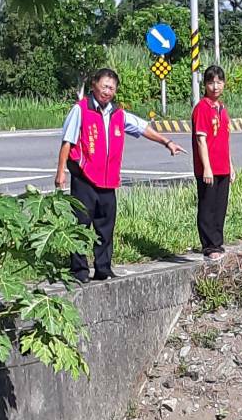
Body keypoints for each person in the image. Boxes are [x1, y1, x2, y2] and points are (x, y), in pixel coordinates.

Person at [55, 67, 183, 282]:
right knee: (80, 225)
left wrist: (167, 142)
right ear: (94, 85)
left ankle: (103, 268)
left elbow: (143, 128)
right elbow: (67, 141)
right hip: (84, 178)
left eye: (112, 88)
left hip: (108, 180)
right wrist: (60, 172)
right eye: (104, 86)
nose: (107, 91)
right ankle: (79, 271)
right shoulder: (81, 109)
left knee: (105, 227)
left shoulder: (118, 114)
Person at [192, 64, 232, 261]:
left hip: (223, 166)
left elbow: (225, 139)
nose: (215, 86)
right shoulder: (202, 108)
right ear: (205, 85)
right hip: (208, 168)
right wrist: (206, 167)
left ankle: (218, 242)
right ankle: (209, 246)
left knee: (220, 206)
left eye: (219, 82)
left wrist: (231, 166)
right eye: (211, 82)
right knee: (208, 206)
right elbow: (201, 139)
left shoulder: (222, 108)